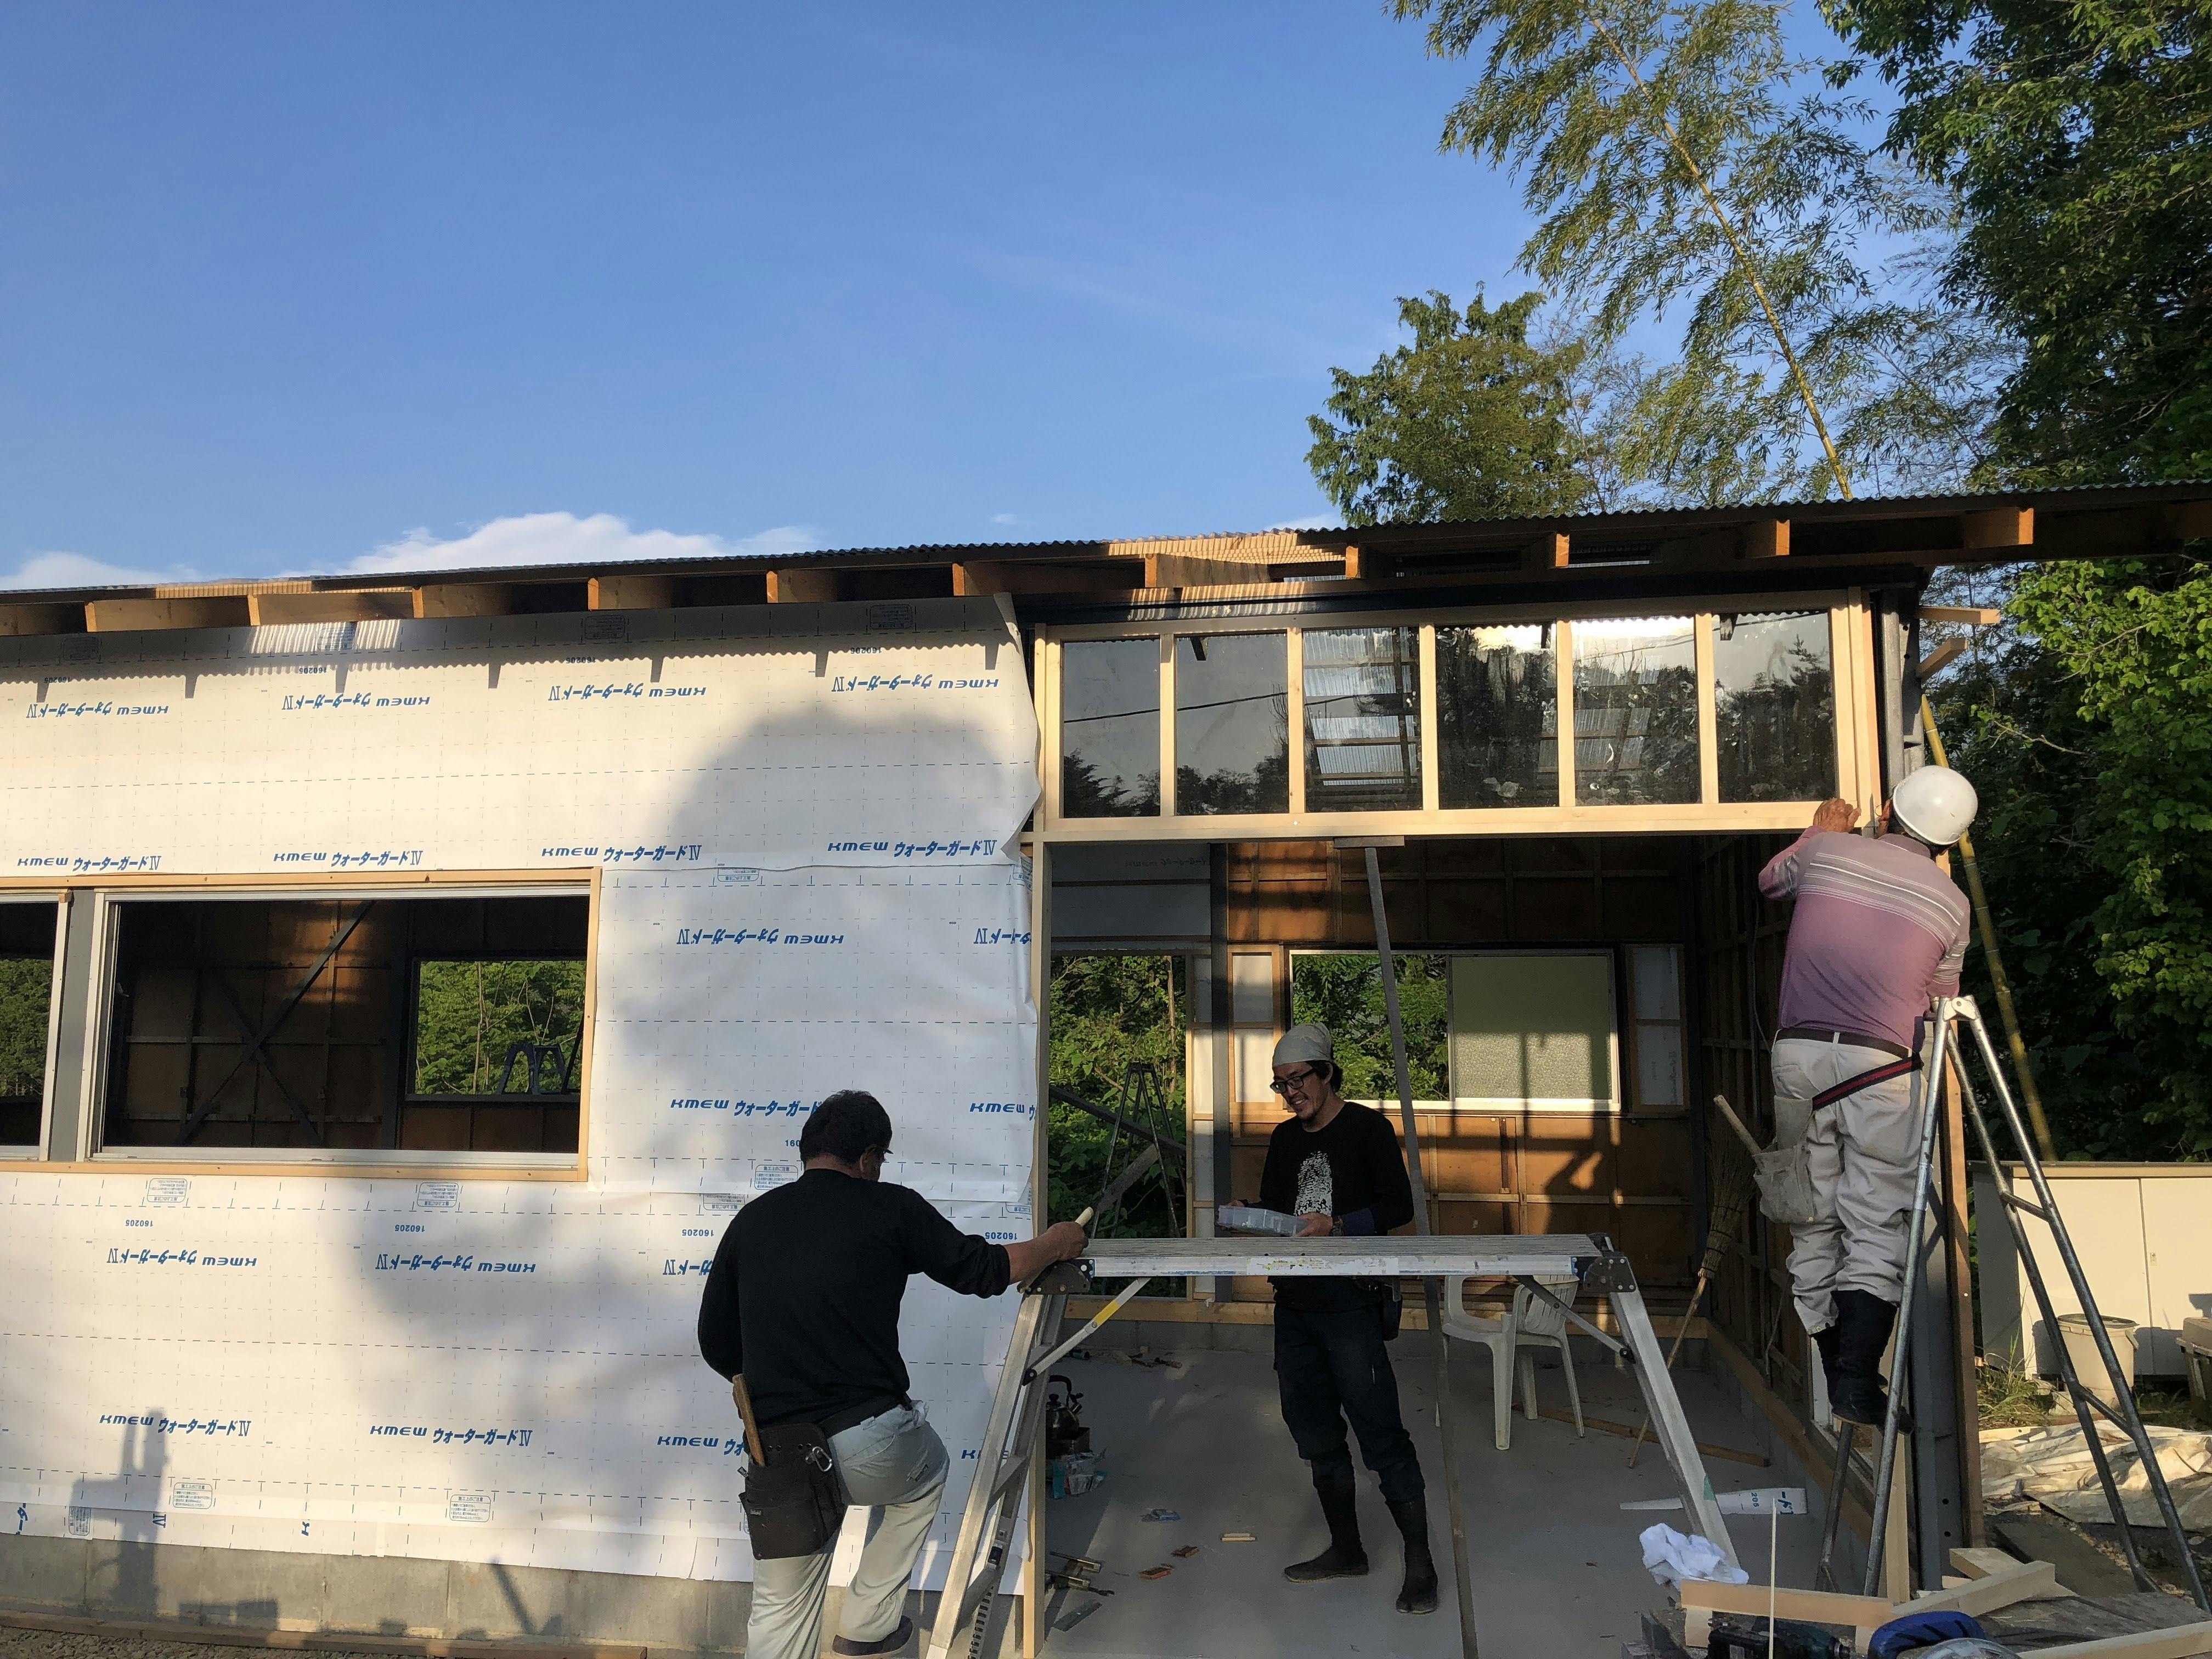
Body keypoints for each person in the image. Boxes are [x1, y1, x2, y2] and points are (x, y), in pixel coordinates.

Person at [697, 1090, 1088, 1659]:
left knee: (780, 1610)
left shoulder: (751, 1221)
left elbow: (716, 1345)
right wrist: (1054, 1243)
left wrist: (776, 1377)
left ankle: (852, 1629)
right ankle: (867, 1624)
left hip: (780, 1452)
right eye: (880, 1159)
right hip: (872, 1443)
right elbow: (984, 1270)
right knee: (927, 1474)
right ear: (867, 1158)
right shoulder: (890, 1208)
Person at [1758, 765, 1977, 1426]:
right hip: (1881, 1068)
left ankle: (1840, 1377)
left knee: (1811, 1214)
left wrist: (1815, 831)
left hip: (1798, 1057)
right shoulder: (1953, 905)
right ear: (1949, 842)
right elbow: (1939, 1006)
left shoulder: (1827, 851)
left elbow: (1770, 882)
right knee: (1876, 1223)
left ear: (1886, 811)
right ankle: (1854, 1383)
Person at [1254, 1022, 1437, 1616]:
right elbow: (1279, 1210)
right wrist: (1252, 1219)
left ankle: (1421, 1563)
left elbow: (1399, 1206)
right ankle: (1348, 1549)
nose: (1291, 1094)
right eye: (1281, 1085)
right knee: (1313, 1432)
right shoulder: (1284, 1140)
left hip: (1353, 1304)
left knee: (1380, 1432)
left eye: (1298, 1080)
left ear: (1327, 1073)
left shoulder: (1366, 1128)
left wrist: (1336, 1225)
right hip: (1296, 1306)